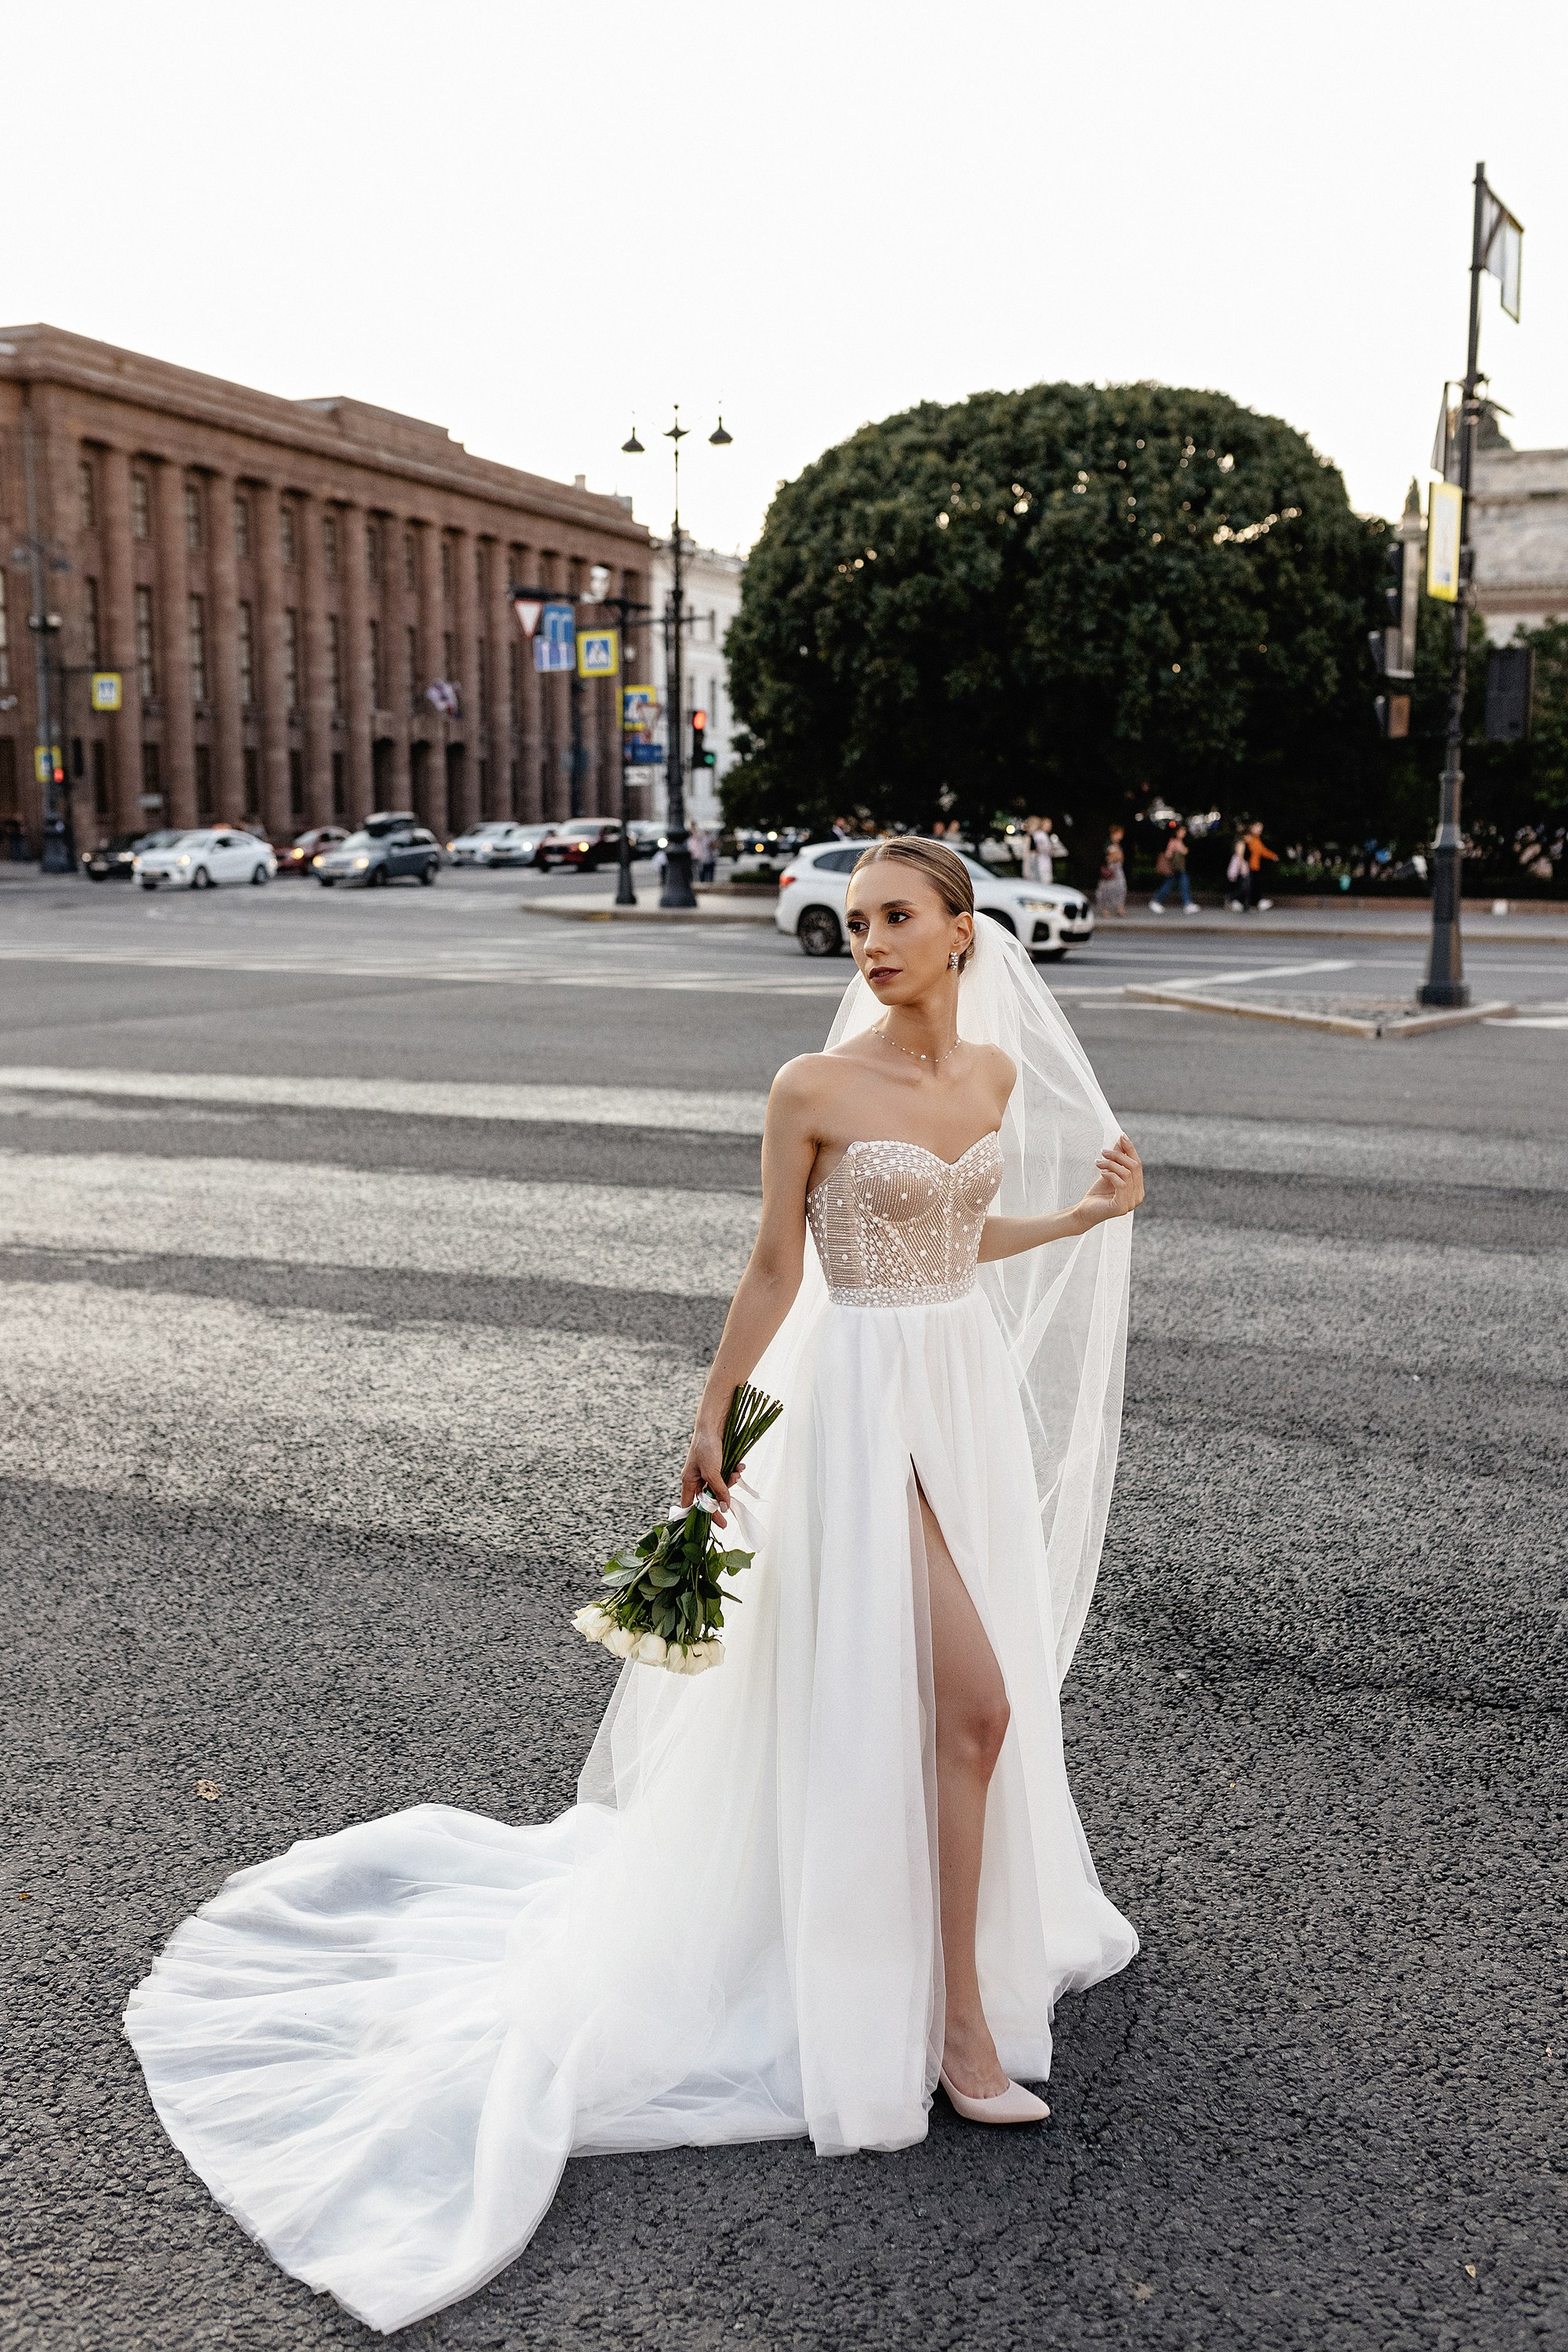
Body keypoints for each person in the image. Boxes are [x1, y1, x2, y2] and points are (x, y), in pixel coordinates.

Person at [122, 840, 1143, 2336]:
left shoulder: (989, 1079)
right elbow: (779, 1267)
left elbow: (951, 1233)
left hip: (958, 1393)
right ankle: (951, 2026)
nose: (868, 939)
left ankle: (934, 1975)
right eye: (857, 919)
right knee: (971, 1706)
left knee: (958, 1715)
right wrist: (715, 1417)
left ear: (960, 932)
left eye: (896, 917)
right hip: (859, 1405)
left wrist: (1077, 1220)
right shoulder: (812, 1086)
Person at [1149, 823, 1197, 913]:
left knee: (1174, 884)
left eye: (1184, 831)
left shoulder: (1180, 842)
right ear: (1176, 832)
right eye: (1182, 831)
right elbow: (1168, 854)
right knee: (1182, 884)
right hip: (1176, 869)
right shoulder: (1173, 842)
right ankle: (1187, 904)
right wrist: (1176, 851)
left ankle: (1156, 901)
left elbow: (1185, 851)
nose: (1184, 833)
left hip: (1178, 869)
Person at [1241, 820, 1276, 913]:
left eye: (1261, 828)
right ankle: (1249, 903)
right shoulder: (1249, 838)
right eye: (1258, 828)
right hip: (1250, 866)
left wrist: (1272, 856)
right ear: (1252, 827)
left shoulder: (1256, 839)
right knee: (1250, 886)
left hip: (1255, 866)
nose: (1260, 830)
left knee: (1254, 886)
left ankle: (1253, 903)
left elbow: (1262, 851)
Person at [1094, 824, 1127, 917]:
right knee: (1107, 889)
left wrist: (1118, 856)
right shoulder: (1109, 844)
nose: (1121, 836)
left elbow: (1120, 858)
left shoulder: (1116, 844)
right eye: (1120, 833)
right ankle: (1105, 910)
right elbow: (1111, 858)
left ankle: (1120, 908)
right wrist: (1117, 856)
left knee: (1121, 887)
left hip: (1117, 869)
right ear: (1114, 833)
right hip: (1110, 870)